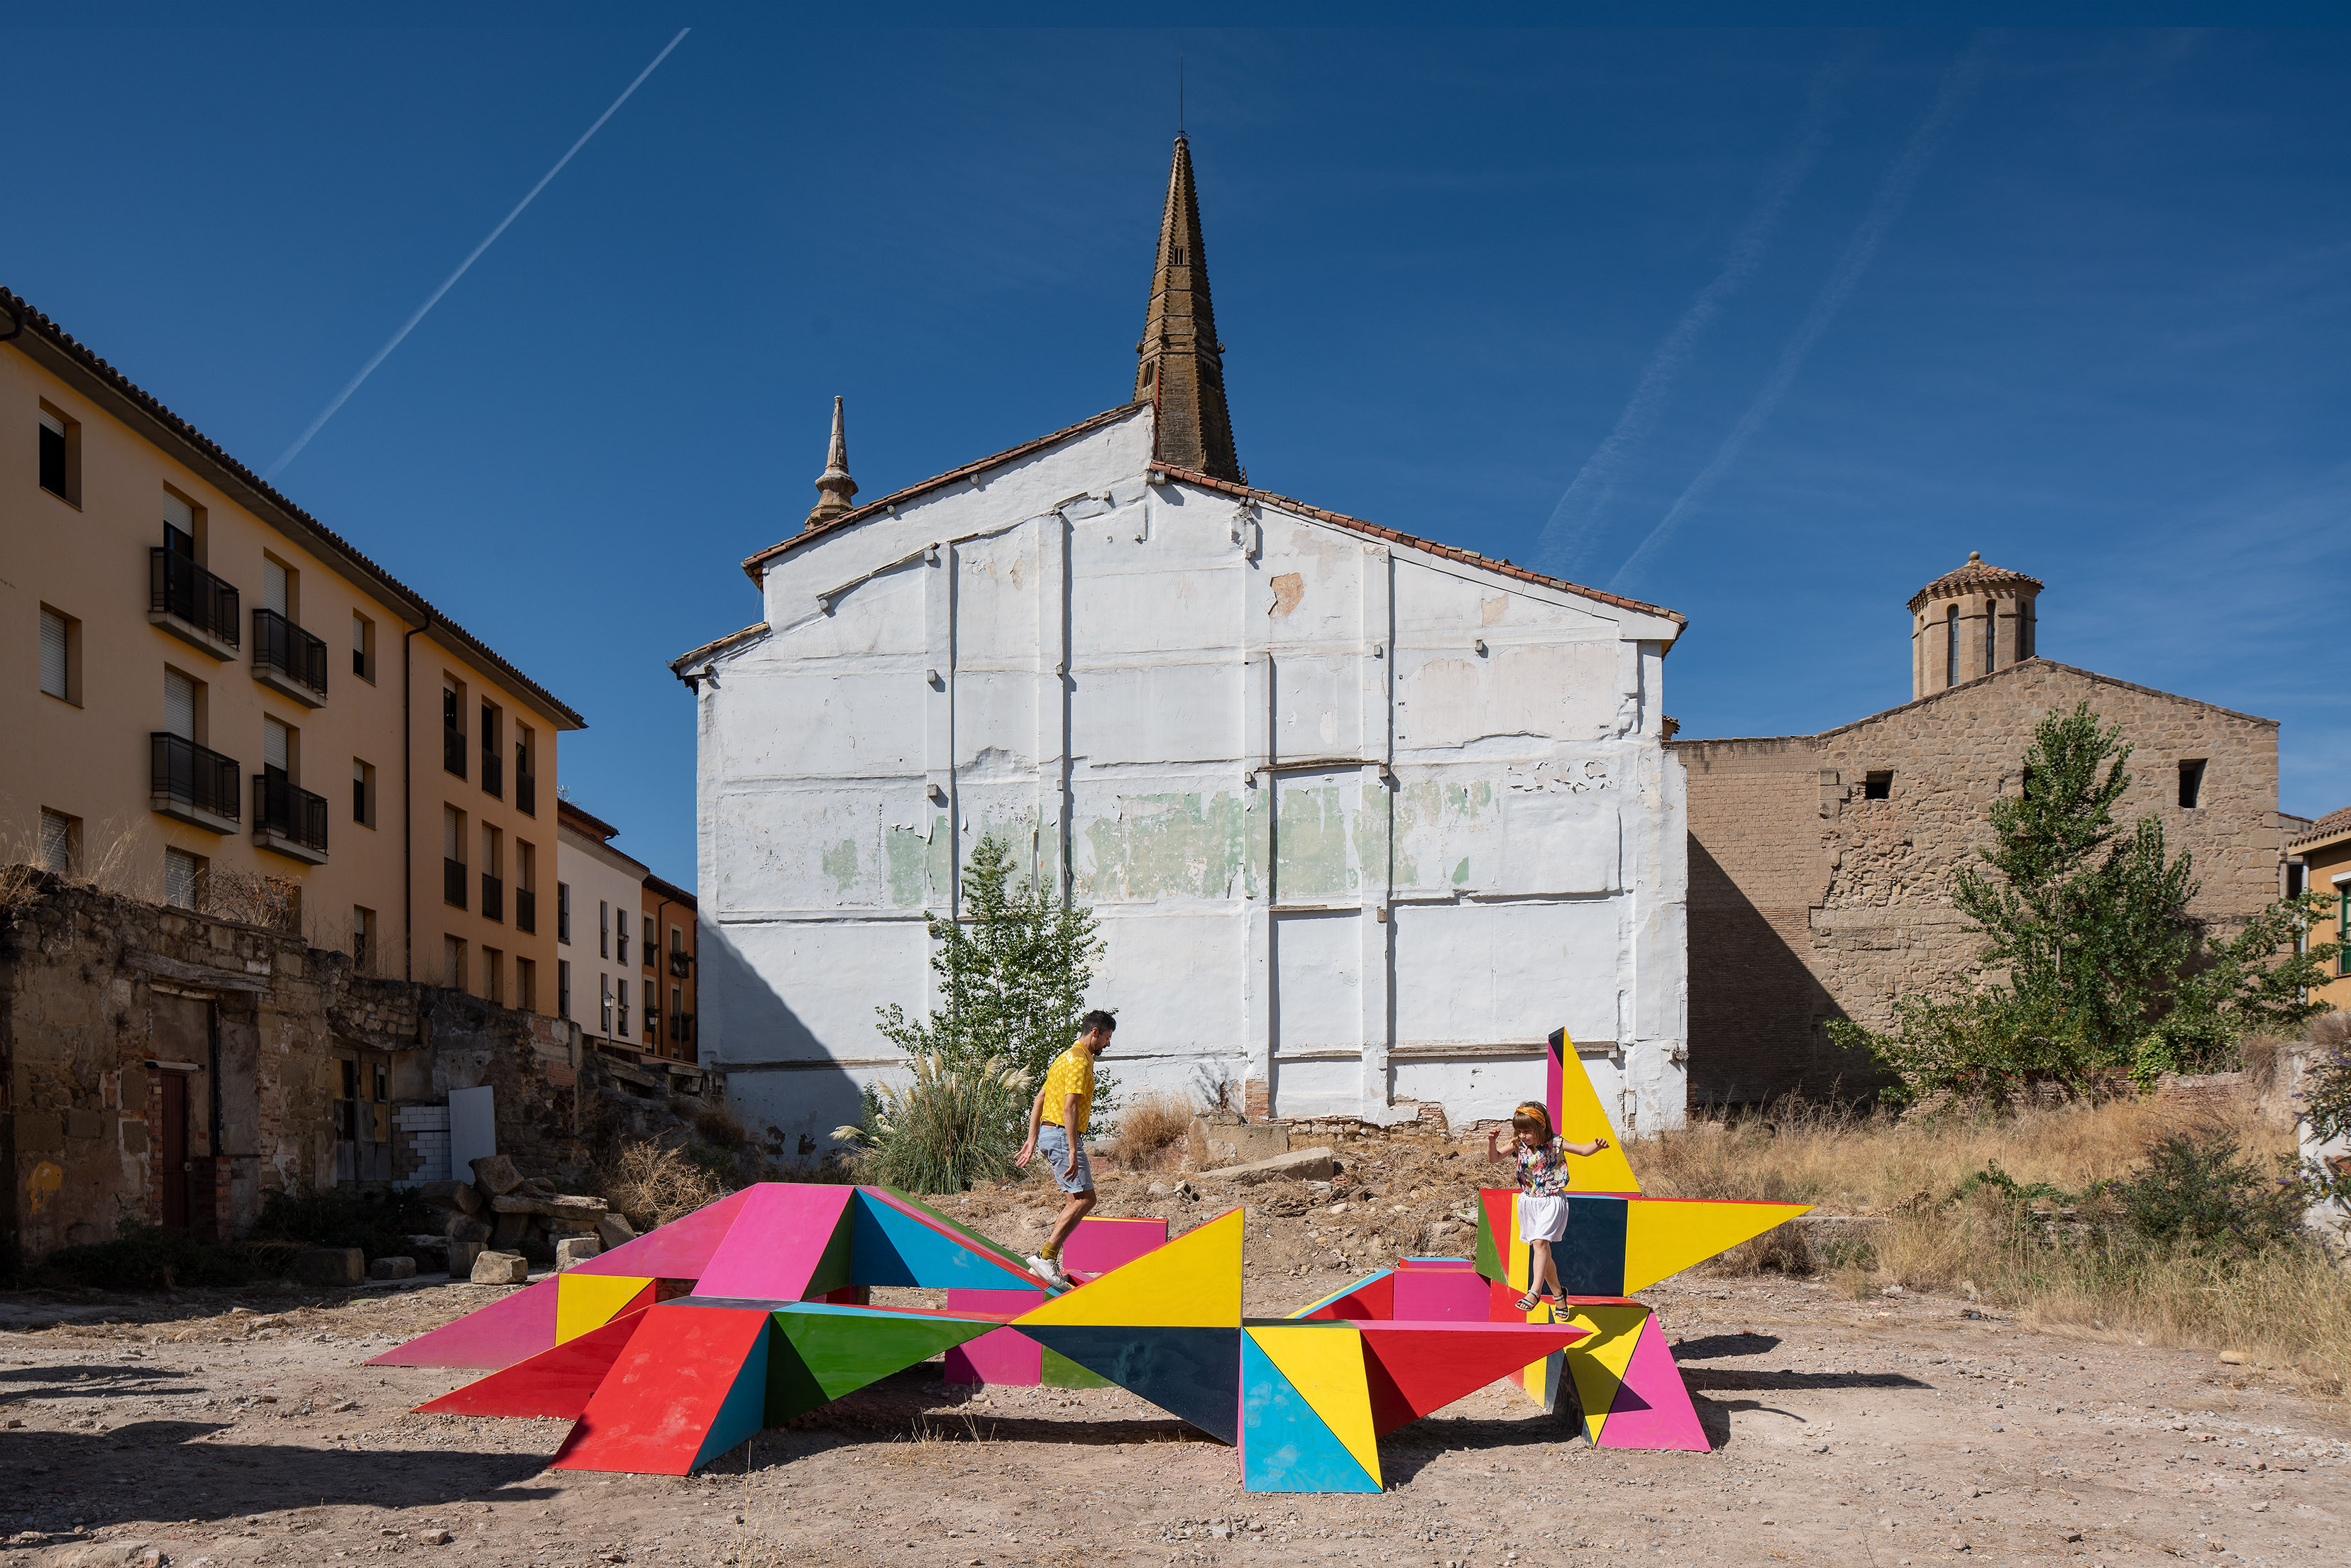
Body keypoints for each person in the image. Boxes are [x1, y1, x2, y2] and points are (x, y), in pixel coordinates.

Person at [1015, 1009, 1117, 1288]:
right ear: (1095, 1032)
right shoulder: (1079, 1062)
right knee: (1086, 1199)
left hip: (1051, 1133)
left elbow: (1040, 1099)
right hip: (1062, 1135)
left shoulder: (1063, 1058)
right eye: (1107, 1037)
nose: (1108, 1044)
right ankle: (1044, 1258)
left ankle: (1044, 1262)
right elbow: (1069, 1106)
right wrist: (1073, 1148)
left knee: (1076, 1200)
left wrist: (1033, 1138)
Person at [1485, 1100, 1611, 1312]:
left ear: (1542, 1126)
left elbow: (1582, 1149)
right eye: (1519, 1131)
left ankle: (1534, 1292)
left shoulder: (1556, 1143)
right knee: (1543, 1251)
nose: (1523, 1135)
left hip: (1551, 1200)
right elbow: (1494, 1158)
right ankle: (1559, 1294)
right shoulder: (1518, 1144)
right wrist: (1492, 1141)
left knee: (1540, 1243)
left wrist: (1596, 1146)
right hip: (1528, 1202)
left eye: (1527, 1131)